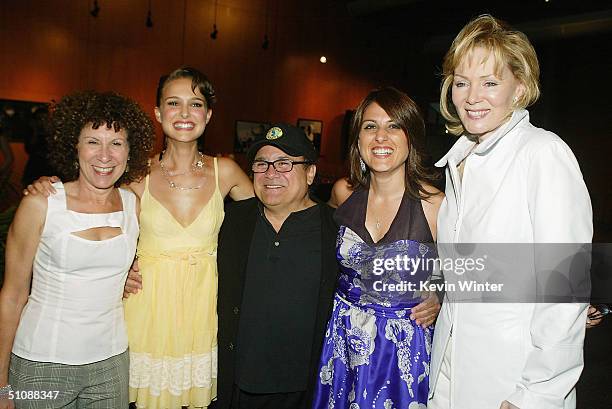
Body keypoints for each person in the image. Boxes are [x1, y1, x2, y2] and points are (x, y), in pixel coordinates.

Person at [24, 67, 254, 409]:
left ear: (208, 114)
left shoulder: (228, 173)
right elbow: (90, 208)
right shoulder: (135, 175)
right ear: (159, 113)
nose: (185, 113)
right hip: (145, 310)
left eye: (196, 104)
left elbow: (266, 221)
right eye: (174, 103)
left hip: (201, 310)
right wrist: (49, 185)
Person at [428, 15, 592, 409]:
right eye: (462, 83)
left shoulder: (543, 153)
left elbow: (565, 287)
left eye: (490, 82)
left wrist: (536, 395)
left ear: (519, 88)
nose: (472, 97)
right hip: (450, 371)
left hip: (512, 381)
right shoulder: (459, 161)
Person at [0, 90, 154, 408]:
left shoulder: (132, 205)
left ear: (130, 151)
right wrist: (1, 385)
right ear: (76, 146)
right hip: (41, 364)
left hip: (111, 363)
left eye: (116, 143)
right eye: (92, 141)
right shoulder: (40, 203)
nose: (104, 155)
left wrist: (127, 275)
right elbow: (13, 295)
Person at [313, 86, 443, 408]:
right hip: (342, 340)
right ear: (357, 140)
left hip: (402, 351)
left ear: (410, 137)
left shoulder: (435, 205)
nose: (380, 137)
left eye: (393, 126)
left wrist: (441, 296)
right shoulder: (343, 193)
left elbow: (471, 268)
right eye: (370, 126)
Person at [214, 123, 338, 409]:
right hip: (234, 384)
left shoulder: (337, 229)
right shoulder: (231, 222)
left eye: (284, 164)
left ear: (310, 173)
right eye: (262, 164)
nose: (271, 174)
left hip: (304, 390)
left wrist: (435, 293)